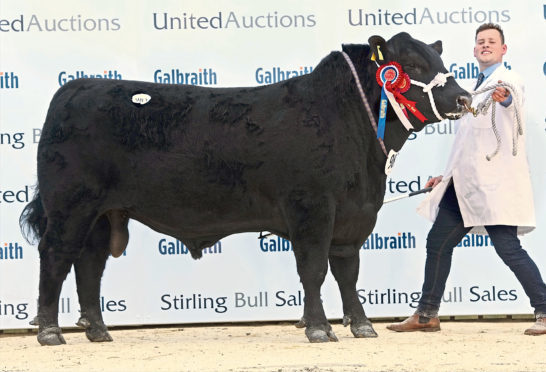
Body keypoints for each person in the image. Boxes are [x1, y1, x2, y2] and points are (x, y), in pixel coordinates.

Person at [387, 23, 546, 336]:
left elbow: (511, 98)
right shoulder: (473, 88)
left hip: (494, 186)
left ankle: (544, 308)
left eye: (491, 42)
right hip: (464, 185)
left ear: (503, 50)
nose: (485, 46)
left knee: (508, 248)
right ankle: (427, 314)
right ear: (474, 50)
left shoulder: (507, 80)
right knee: (438, 243)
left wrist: (504, 99)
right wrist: (444, 178)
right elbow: (468, 145)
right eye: (480, 42)